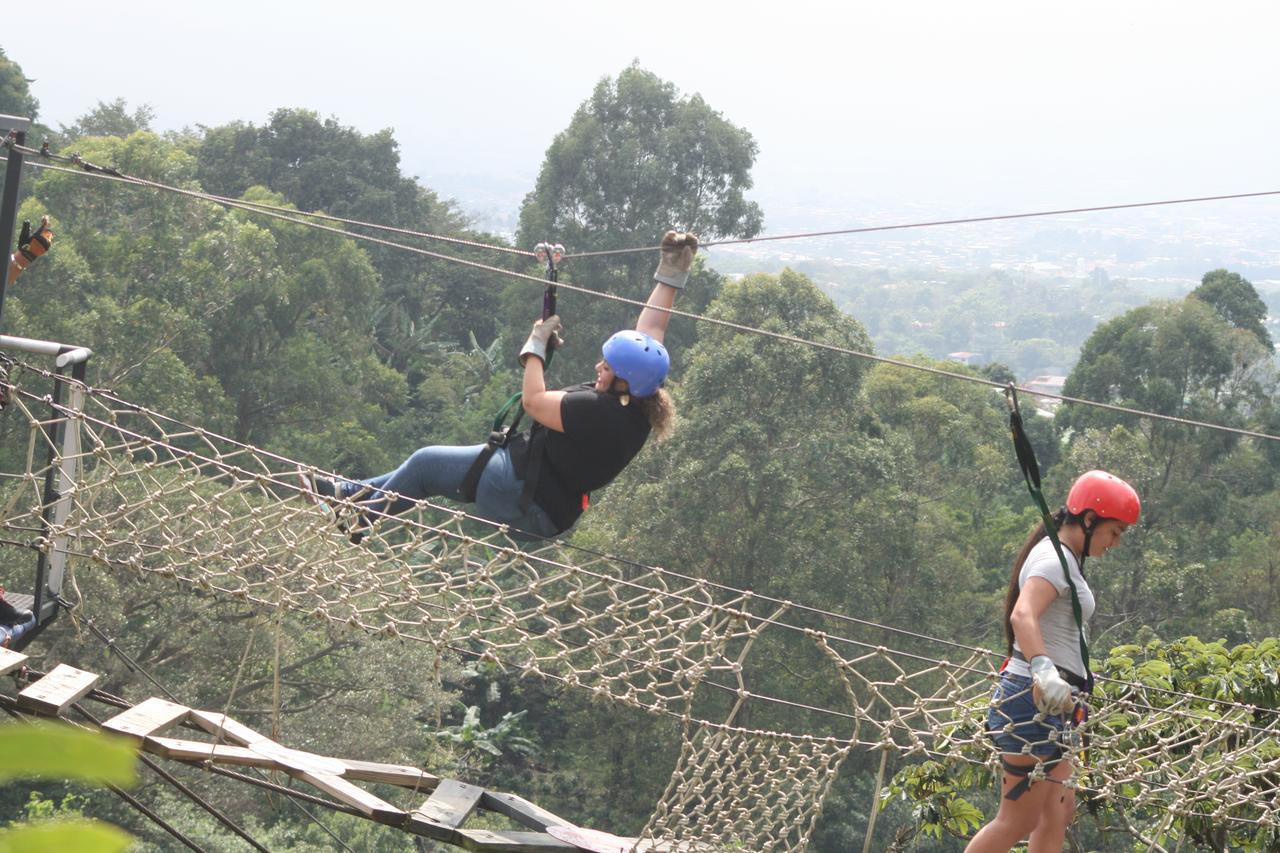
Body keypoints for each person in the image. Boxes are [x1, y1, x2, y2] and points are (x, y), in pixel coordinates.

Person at [301, 230, 697, 540]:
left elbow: (534, 401)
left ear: (624, 382)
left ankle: (359, 517)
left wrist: (535, 350)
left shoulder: (601, 412)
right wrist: (672, 272)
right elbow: (652, 328)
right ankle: (347, 495)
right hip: (536, 483)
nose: (598, 368)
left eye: (607, 368)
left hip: (527, 499)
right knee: (429, 466)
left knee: (425, 464)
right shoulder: (641, 393)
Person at [965, 470, 1140, 853]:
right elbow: (1022, 615)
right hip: (1031, 701)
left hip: (1056, 705)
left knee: (1056, 813)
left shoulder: (1068, 561)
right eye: (1115, 531)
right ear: (1090, 519)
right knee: (1018, 819)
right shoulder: (1054, 559)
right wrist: (1044, 668)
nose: (1116, 542)